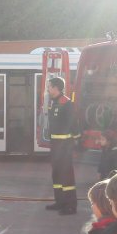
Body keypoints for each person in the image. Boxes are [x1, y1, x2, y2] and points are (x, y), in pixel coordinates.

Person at [43, 77, 79, 215]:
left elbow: (73, 124)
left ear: (56, 87)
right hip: (56, 146)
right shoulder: (54, 102)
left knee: (67, 176)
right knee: (57, 175)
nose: (48, 88)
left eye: (49, 86)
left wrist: (76, 141)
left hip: (64, 147)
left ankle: (70, 205)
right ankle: (60, 201)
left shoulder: (66, 103)